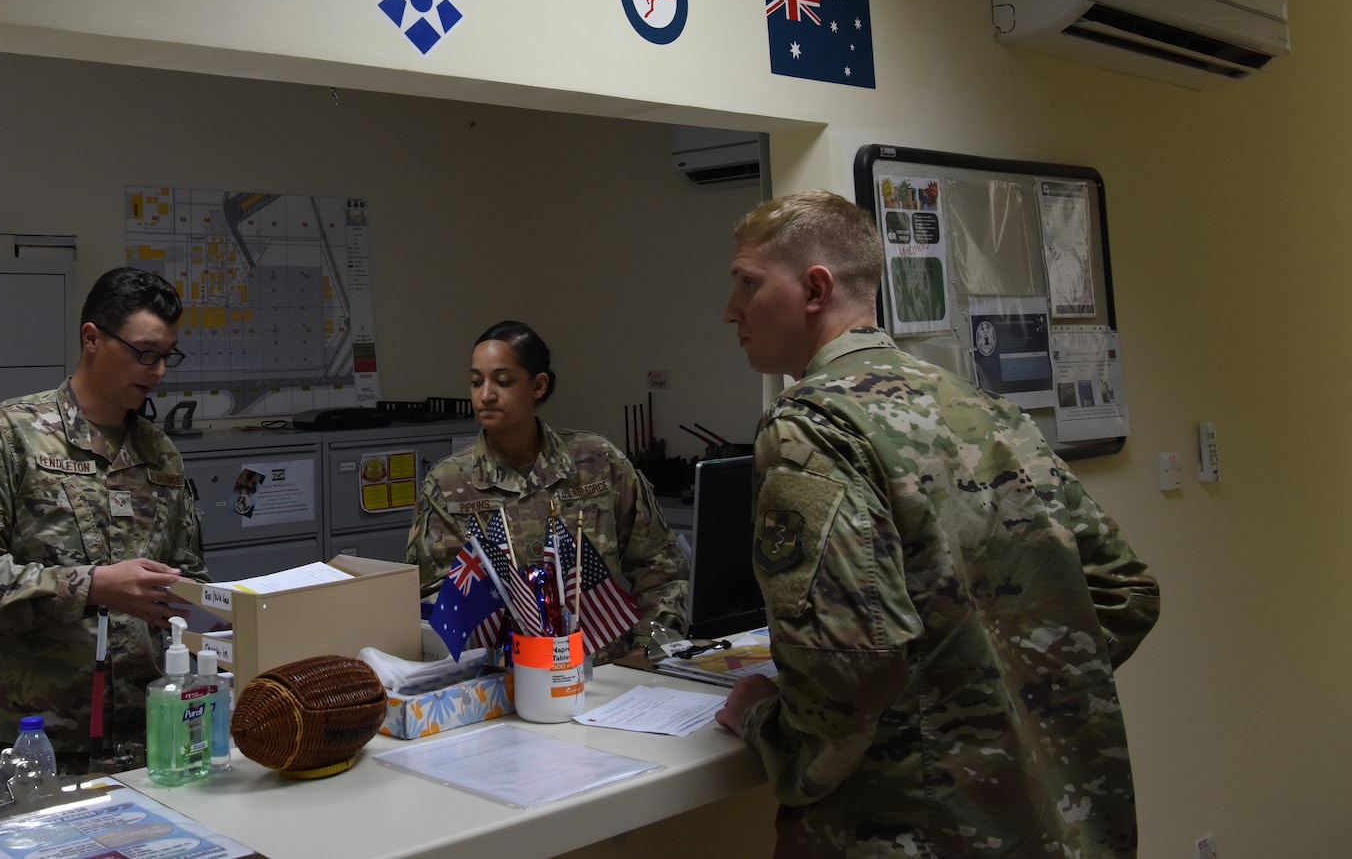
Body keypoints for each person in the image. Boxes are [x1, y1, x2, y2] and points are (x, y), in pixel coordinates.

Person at [714, 190, 1159, 858]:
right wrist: (1004, 697)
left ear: (814, 288)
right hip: (1047, 819)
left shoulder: (812, 425)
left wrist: (762, 723)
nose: (731, 311)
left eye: (748, 284)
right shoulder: (983, 409)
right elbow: (1124, 594)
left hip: (913, 827)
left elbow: (847, 670)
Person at [0, 266, 208, 791]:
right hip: (31, 736)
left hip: (144, 736)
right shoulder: (3, 434)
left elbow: (187, 577)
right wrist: (93, 586)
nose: (158, 372)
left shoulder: (159, 453)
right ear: (92, 339)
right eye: (144, 352)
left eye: (167, 355)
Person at [407, 320, 688, 659]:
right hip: (502, 683)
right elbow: (435, 599)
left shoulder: (598, 461)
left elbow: (662, 570)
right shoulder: (449, 483)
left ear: (538, 386)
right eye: (476, 381)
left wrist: (649, 650)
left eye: (503, 381)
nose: (485, 395)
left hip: (605, 676)